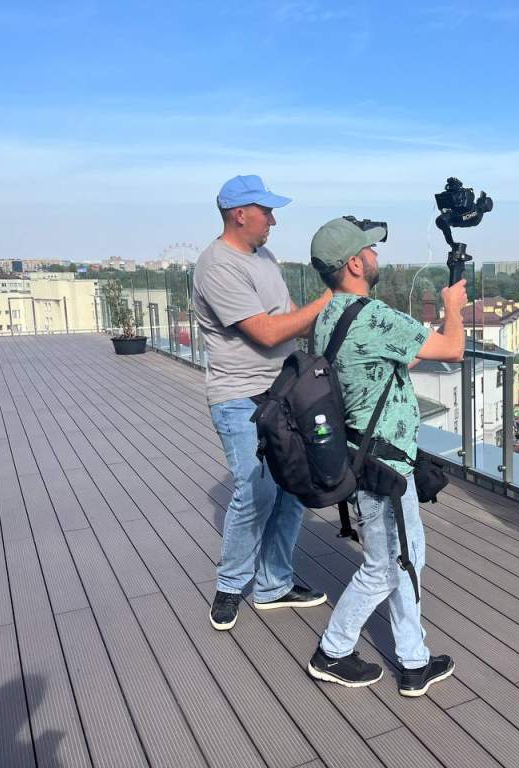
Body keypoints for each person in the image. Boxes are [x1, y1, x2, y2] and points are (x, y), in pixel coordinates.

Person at [305, 216, 467, 696]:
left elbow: (403, 356)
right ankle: (332, 651)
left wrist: (433, 327)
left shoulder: (331, 318)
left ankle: (413, 660)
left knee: (405, 558)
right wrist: (453, 307)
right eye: (371, 251)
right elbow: (454, 349)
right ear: (354, 263)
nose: (377, 257)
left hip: (363, 455)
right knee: (386, 565)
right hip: (384, 465)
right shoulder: (373, 316)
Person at [193, 175, 334, 631]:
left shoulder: (264, 257)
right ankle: (231, 586)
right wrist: (331, 297)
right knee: (254, 491)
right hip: (240, 396)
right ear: (240, 214)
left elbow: (290, 321)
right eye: (266, 211)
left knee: (293, 485)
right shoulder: (217, 266)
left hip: (281, 390)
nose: (273, 219)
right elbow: (269, 332)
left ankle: (274, 584)